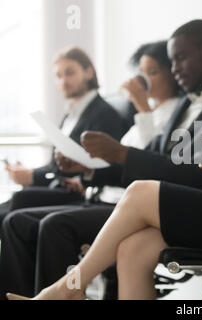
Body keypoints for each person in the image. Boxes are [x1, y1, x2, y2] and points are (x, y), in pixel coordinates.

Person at [4, 19, 202, 300]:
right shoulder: (186, 105)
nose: (174, 68)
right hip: (169, 208)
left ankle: (68, 287)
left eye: (179, 59)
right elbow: (154, 158)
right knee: (131, 249)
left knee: (137, 193)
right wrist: (90, 170)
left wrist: (124, 154)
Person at [0, 40, 182, 299]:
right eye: (142, 74)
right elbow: (121, 165)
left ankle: (65, 292)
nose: (145, 81)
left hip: (127, 204)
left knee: (53, 225)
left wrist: (142, 108)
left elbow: (154, 162)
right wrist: (88, 176)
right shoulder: (148, 115)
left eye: (152, 72)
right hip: (104, 195)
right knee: (18, 219)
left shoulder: (171, 113)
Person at [0, 46, 124, 228]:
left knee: (20, 198)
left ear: (89, 72)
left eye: (70, 73)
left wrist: (33, 176)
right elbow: (55, 166)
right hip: (59, 186)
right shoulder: (69, 116)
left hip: (80, 192)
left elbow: (92, 168)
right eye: (58, 76)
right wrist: (28, 173)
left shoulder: (105, 114)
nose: (63, 80)